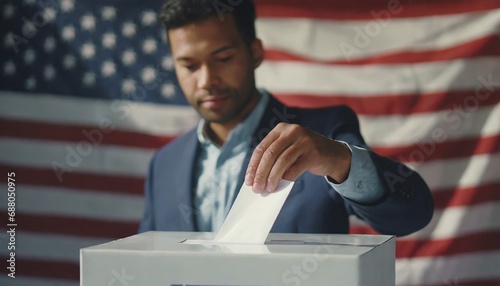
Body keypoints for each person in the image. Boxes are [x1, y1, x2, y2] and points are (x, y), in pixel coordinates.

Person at [138, 0, 433, 236]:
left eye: (223, 59)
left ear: (255, 53)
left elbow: (411, 215)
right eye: (189, 66)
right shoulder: (164, 164)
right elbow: (147, 269)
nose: (206, 80)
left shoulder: (324, 134)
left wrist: (339, 159)